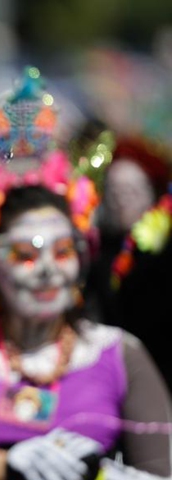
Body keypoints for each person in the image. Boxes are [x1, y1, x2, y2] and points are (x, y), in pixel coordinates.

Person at [0, 69, 172, 480]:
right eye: (25, 253)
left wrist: (99, 474)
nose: (47, 270)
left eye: (62, 251)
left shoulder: (119, 353)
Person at [84, 135, 172, 392]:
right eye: (114, 191)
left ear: (152, 194)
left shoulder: (163, 247)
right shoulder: (99, 251)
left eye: (132, 191)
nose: (122, 200)